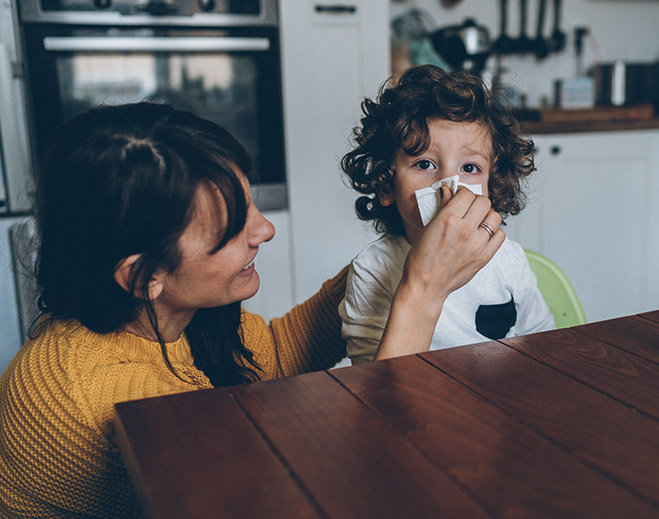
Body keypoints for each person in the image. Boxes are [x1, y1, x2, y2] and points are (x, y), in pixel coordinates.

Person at [0, 101, 501, 518]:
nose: (265, 230)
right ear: (142, 275)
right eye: (234, 225)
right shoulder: (107, 397)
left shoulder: (178, 317)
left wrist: (397, 261)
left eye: (251, 204)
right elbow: (360, 484)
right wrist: (423, 288)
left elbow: (279, 352)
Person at [339, 64, 555, 364]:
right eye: (424, 164)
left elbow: (543, 346)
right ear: (386, 185)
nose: (448, 185)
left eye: (469, 168)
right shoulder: (372, 270)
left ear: (490, 187)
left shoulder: (510, 260)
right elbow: (369, 380)